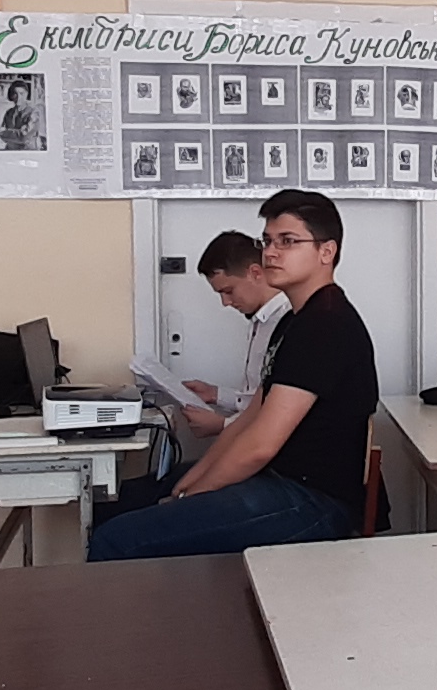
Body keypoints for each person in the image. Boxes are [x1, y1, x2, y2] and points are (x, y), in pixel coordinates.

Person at [89, 190, 373, 559]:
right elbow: (249, 420)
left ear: (326, 251)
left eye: (288, 241)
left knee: (115, 540)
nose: (271, 252)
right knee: (120, 503)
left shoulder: (326, 325)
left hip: (313, 501)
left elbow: (260, 446)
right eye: (267, 241)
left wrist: (193, 496)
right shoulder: (295, 321)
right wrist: (189, 484)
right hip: (278, 480)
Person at [173, 230, 289, 445]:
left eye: (228, 291)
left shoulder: (289, 322)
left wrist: (223, 425)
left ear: (255, 273)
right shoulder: (260, 320)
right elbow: (257, 397)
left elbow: (280, 407)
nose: (225, 303)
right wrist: (215, 394)